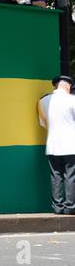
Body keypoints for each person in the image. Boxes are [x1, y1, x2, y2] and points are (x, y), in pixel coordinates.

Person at [40, 75, 75, 214]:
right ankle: (70, 207)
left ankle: (58, 207)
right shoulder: (72, 99)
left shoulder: (43, 101)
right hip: (71, 144)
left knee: (56, 176)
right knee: (71, 175)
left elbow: (42, 123)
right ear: (68, 86)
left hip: (52, 145)